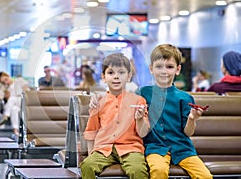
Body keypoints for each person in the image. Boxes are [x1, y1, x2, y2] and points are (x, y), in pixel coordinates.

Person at [90, 44, 213, 179]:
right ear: (151, 69)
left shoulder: (185, 98)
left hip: (183, 149)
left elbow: (188, 132)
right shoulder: (142, 93)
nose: (164, 71)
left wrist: (192, 119)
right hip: (155, 147)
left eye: (169, 67)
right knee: (158, 171)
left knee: (205, 176)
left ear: (178, 70)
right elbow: (118, 98)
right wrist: (97, 97)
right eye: (159, 66)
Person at [80, 52, 150, 179]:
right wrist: (91, 153)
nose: (116, 77)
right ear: (103, 77)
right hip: (103, 148)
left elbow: (143, 133)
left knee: (138, 170)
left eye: (121, 73)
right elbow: (91, 130)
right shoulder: (98, 102)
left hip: (130, 148)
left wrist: (139, 119)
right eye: (111, 73)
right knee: (87, 165)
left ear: (129, 76)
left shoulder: (139, 101)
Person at [0, 72, 29, 138]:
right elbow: (2, 98)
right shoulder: (6, 89)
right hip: (16, 105)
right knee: (13, 109)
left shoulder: (18, 80)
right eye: (3, 82)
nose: (6, 83)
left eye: (5, 80)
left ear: (8, 76)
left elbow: (26, 89)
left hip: (23, 100)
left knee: (12, 99)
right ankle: (16, 132)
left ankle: (5, 116)